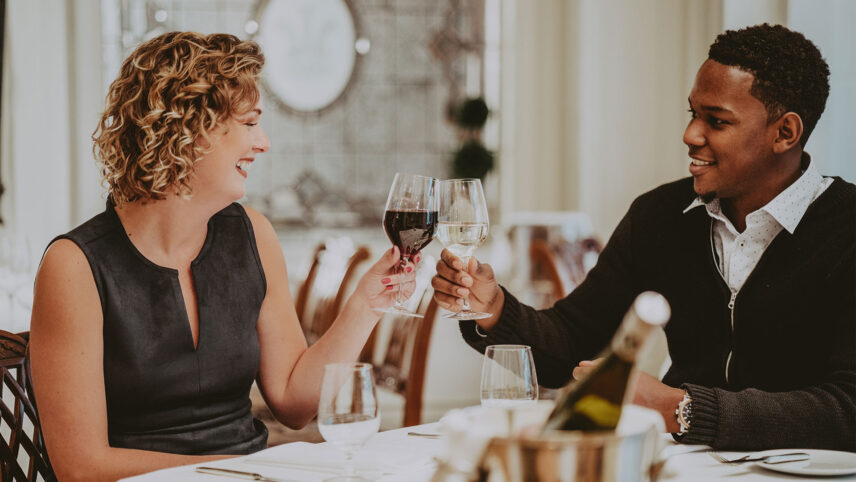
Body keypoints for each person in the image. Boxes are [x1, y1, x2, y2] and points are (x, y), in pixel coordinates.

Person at [432, 23, 855, 451]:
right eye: (693, 114)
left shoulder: (848, 229)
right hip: (680, 469)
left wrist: (679, 407)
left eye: (717, 121)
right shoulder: (659, 217)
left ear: (785, 133)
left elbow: (848, 408)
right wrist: (491, 308)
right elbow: (568, 346)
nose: (691, 135)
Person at [29, 32, 411, 481]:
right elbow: (81, 468)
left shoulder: (252, 235)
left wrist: (364, 306)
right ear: (186, 131)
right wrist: (240, 471)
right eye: (250, 123)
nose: (264, 143)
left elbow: (293, 402)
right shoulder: (75, 265)